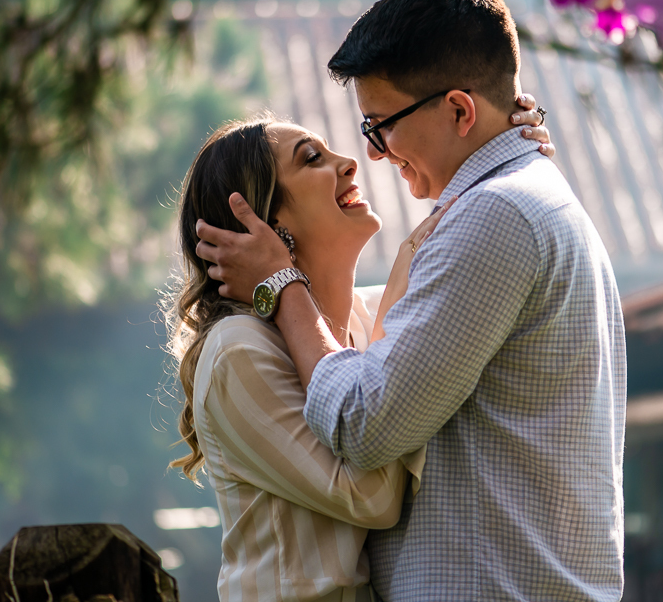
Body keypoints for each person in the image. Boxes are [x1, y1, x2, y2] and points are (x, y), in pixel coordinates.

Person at [195, 0, 626, 602]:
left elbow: (363, 426)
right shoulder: (516, 203)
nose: (369, 155)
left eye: (380, 125)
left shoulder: (494, 215)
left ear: (459, 111)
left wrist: (282, 288)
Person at [166, 103, 552, 601]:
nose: (349, 162)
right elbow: (371, 497)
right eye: (312, 158)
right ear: (265, 223)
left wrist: (502, 134)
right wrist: (398, 280)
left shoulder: (366, 316)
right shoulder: (237, 351)